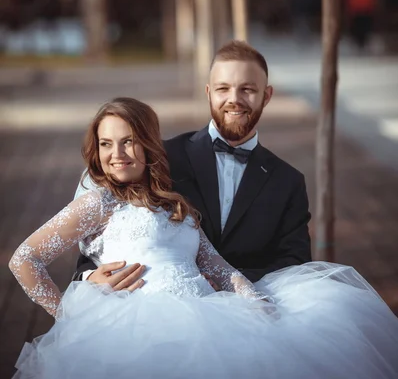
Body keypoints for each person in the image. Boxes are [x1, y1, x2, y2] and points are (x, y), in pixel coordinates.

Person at [9, 97, 398, 379]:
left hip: (210, 320)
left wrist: (256, 302)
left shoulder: (175, 204)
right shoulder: (99, 201)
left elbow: (217, 266)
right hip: (141, 332)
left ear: (149, 143)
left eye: (128, 140)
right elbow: (24, 260)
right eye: (106, 144)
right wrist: (71, 317)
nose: (117, 153)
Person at [75, 41, 312, 291]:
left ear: (267, 96)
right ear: (209, 92)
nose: (234, 99)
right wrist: (89, 276)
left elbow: (295, 264)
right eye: (223, 89)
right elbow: (103, 234)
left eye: (248, 90)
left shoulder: (288, 182)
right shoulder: (161, 157)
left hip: (251, 310)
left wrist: (229, 281)